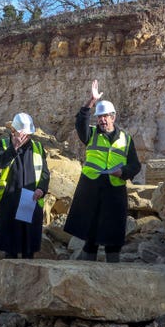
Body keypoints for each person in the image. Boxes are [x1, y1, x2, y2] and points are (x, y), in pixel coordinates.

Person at [63, 80, 141, 263]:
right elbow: (80, 121)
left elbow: (135, 165)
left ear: (113, 117)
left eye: (105, 116)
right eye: (99, 117)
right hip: (91, 188)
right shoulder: (90, 133)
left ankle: (112, 272)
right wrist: (91, 101)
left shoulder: (126, 139)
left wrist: (123, 172)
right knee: (90, 235)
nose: (102, 120)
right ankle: (88, 272)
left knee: (113, 235)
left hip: (114, 190)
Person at [0, 113, 49, 259]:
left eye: (28, 134)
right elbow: (0, 163)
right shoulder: (4, 144)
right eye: (22, 134)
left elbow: (44, 173)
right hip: (10, 200)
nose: (25, 137)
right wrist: (14, 147)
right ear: (13, 131)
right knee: (10, 245)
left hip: (31, 201)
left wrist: (41, 189)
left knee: (29, 245)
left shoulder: (38, 147)